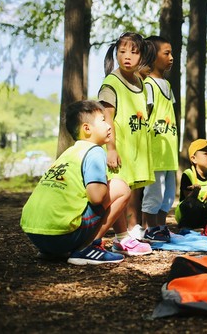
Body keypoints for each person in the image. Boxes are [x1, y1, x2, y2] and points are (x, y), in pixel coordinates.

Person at [20, 100, 131, 265]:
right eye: (103, 120)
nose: (109, 125)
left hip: (36, 235)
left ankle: (52, 252)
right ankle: (88, 247)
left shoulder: (69, 153)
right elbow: (96, 197)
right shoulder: (94, 152)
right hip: (62, 235)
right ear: (87, 128)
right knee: (121, 187)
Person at [97, 32, 153, 256]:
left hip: (135, 148)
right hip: (118, 148)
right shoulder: (111, 83)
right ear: (116, 53)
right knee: (119, 192)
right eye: (122, 51)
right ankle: (118, 237)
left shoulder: (140, 81)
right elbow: (106, 118)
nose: (127, 56)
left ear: (142, 56)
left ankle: (127, 235)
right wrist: (111, 148)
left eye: (133, 51)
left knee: (130, 192)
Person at [140, 36, 178, 242]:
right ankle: (149, 228)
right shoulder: (148, 85)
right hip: (155, 150)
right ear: (153, 56)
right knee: (154, 191)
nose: (171, 57)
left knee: (168, 193)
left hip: (169, 149)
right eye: (166, 53)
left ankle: (161, 226)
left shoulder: (167, 85)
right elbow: (145, 114)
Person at [175, 138, 207, 229]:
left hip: (206, 211)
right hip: (191, 214)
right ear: (193, 159)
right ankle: (187, 228)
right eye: (205, 154)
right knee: (192, 203)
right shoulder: (188, 174)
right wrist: (195, 192)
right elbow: (188, 200)